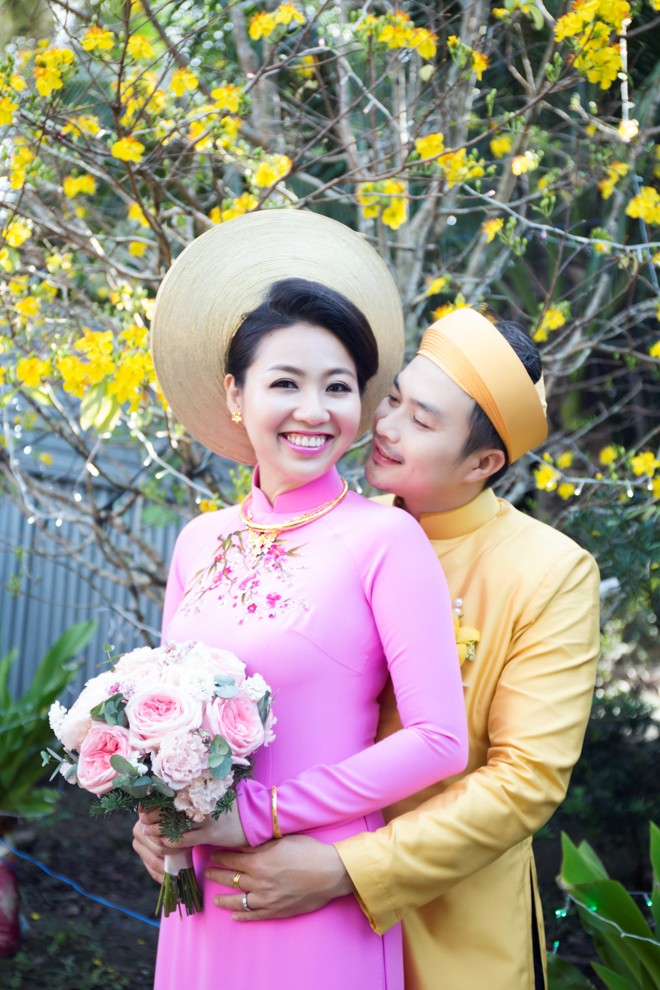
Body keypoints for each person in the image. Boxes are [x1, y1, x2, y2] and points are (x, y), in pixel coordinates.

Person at [137, 306, 600, 990]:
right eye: (393, 399)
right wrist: (168, 810)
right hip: (265, 881)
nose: (385, 426)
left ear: (483, 462)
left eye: (422, 421)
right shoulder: (326, 530)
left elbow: (525, 779)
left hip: (444, 908)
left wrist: (348, 867)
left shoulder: (549, 572)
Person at [143, 209, 468, 990]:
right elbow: (162, 719)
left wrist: (259, 815)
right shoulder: (199, 541)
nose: (315, 411)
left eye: (338, 387)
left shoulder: (386, 540)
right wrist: (151, 818)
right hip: (198, 893)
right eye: (285, 382)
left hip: (309, 885)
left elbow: (439, 740)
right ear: (236, 393)